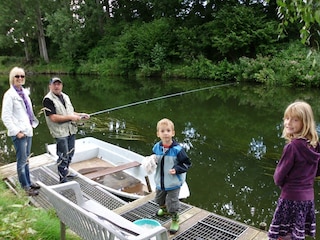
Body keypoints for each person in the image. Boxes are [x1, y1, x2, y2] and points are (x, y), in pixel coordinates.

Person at [268, 101, 320, 240]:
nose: (289, 122)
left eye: (295, 119)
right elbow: (318, 171)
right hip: (307, 198)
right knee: (296, 232)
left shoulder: (292, 147)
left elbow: (279, 176)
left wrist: (283, 184)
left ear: (305, 122)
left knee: (282, 233)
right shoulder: (315, 144)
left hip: (290, 197)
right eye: (287, 118)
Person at [144, 118, 191, 234]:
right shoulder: (156, 147)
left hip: (174, 182)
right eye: (163, 131)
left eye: (168, 130)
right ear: (158, 134)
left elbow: (186, 163)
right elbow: (156, 159)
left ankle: (175, 218)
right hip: (160, 181)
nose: (165, 133)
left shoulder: (178, 150)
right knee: (159, 199)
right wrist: (152, 161)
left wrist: (177, 169)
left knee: (172, 202)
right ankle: (163, 210)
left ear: (173, 133)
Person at [42, 77, 90, 184]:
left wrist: (81, 114)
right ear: (50, 86)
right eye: (54, 84)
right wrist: (71, 118)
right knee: (63, 155)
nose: (56, 86)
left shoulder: (65, 97)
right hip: (59, 132)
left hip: (70, 130)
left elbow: (71, 112)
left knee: (70, 153)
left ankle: (66, 171)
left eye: (58, 84)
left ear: (61, 85)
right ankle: (62, 178)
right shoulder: (48, 100)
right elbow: (53, 118)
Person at [1, 67, 40, 196]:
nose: (20, 78)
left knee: (27, 159)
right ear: (12, 78)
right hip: (19, 133)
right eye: (17, 76)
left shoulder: (24, 93)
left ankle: (28, 182)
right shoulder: (9, 95)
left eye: (22, 76)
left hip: (28, 131)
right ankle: (25, 186)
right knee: (22, 160)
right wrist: (16, 131)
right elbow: (5, 117)